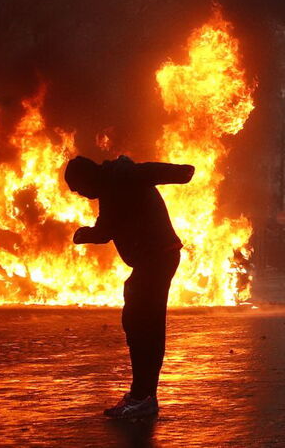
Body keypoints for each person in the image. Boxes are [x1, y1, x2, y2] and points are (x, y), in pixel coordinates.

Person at [65, 154, 195, 419]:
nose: (82, 195)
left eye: (79, 189)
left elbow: (149, 172)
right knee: (140, 323)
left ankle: (143, 396)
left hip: (157, 256)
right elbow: (106, 228)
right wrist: (88, 234)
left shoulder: (122, 176)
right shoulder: (111, 187)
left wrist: (180, 173)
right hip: (153, 258)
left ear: (87, 177)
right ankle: (143, 395)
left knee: (144, 326)